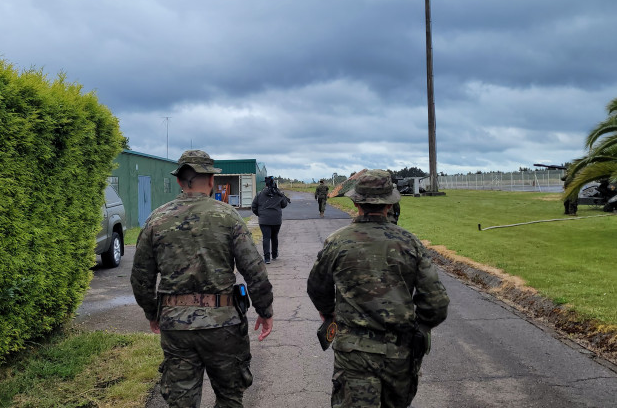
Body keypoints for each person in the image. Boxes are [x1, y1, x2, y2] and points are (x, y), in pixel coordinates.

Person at [131, 150, 274, 408]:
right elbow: (254, 269)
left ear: (179, 181)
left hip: (176, 326)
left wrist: (152, 313)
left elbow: (141, 277)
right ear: (211, 181)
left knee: (181, 401)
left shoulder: (157, 219)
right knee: (230, 397)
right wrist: (265, 310)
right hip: (224, 325)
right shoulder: (229, 217)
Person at [307, 169, 450, 408]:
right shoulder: (409, 242)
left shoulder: (337, 242)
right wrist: (421, 326)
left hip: (353, 352)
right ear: (390, 204)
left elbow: (317, 287)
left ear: (356, 201)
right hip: (399, 352)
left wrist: (328, 312)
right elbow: (437, 303)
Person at [251, 176, 291, 264]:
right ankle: (275, 254)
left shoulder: (259, 194)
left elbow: (254, 207)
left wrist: (260, 214)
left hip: (264, 220)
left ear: (265, 184)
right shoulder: (278, 193)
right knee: (274, 237)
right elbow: (284, 205)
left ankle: (267, 258)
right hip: (276, 219)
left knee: (266, 237)